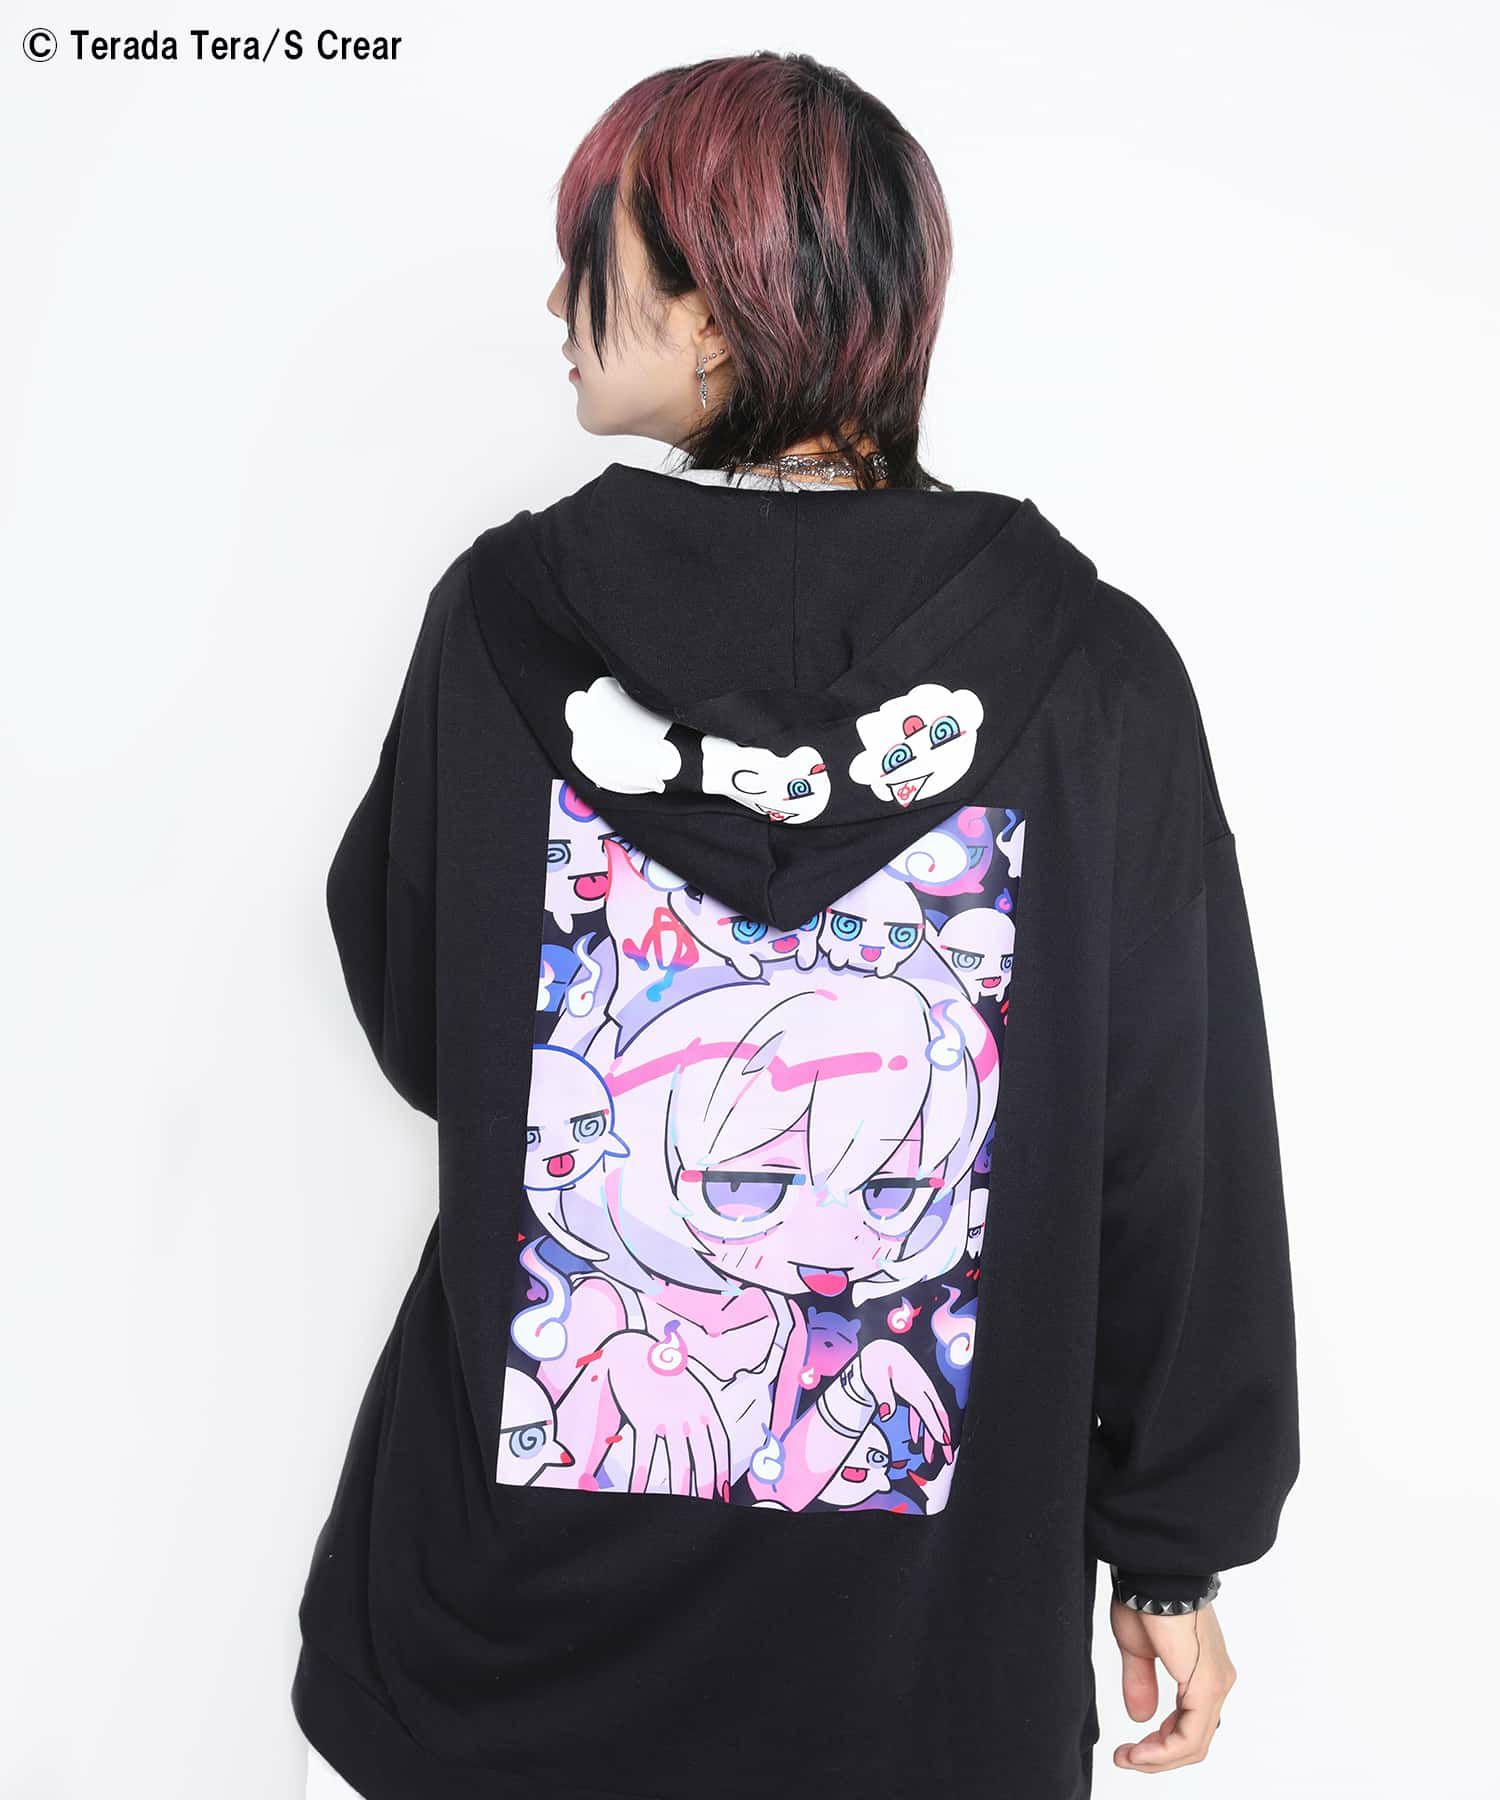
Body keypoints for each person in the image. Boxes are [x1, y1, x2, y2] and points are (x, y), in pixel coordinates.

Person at [291, 50, 1298, 1800]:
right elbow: (1173, 1151)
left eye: (591, 255)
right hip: (917, 1678)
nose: (554, 304)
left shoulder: (502, 630)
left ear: (716, 301)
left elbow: (428, 1019)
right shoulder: (1095, 678)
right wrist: (1170, 1548)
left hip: (495, 1653)